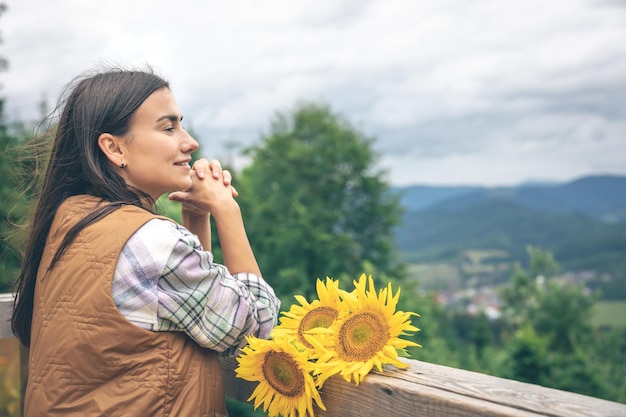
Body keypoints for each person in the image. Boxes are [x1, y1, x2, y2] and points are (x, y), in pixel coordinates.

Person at [11, 67, 280, 416]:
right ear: (113, 148)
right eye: (168, 128)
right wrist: (227, 210)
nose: (190, 142)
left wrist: (197, 218)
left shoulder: (71, 218)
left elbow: (191, 310)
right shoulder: (150, 240)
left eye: (181, 124)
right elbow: (253, 332)